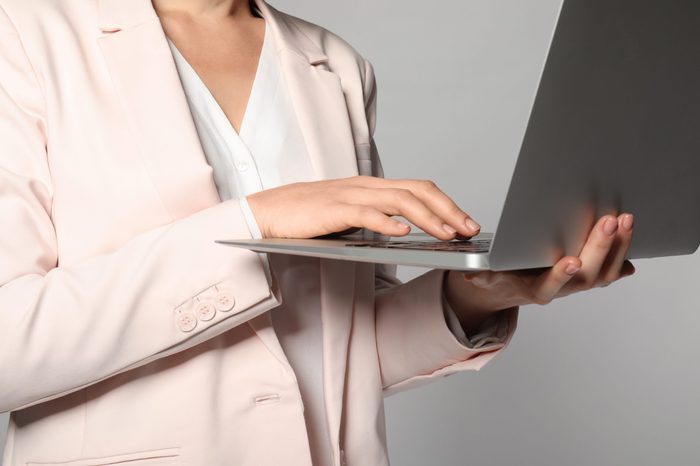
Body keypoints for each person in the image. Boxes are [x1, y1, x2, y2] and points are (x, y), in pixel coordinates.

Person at [0, 0, 635, 464]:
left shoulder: (335, 64)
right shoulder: (23, 36)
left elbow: (349, 340)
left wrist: (479, 293)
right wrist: (259, 220)